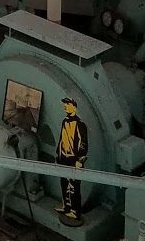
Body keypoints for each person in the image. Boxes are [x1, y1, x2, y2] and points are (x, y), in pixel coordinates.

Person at [56, 96, 89, 226]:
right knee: (64, 183)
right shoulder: (65, 122)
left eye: (68, 105)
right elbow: (61, 139)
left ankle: (75, 212)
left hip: (73, 159)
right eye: (65, 105)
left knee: (74, 187)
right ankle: (66, 208)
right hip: (63, 158)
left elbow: (83, 144)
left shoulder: (80, 124)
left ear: (74, 108)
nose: (65, 107)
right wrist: (58, 154)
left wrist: (80, 159)